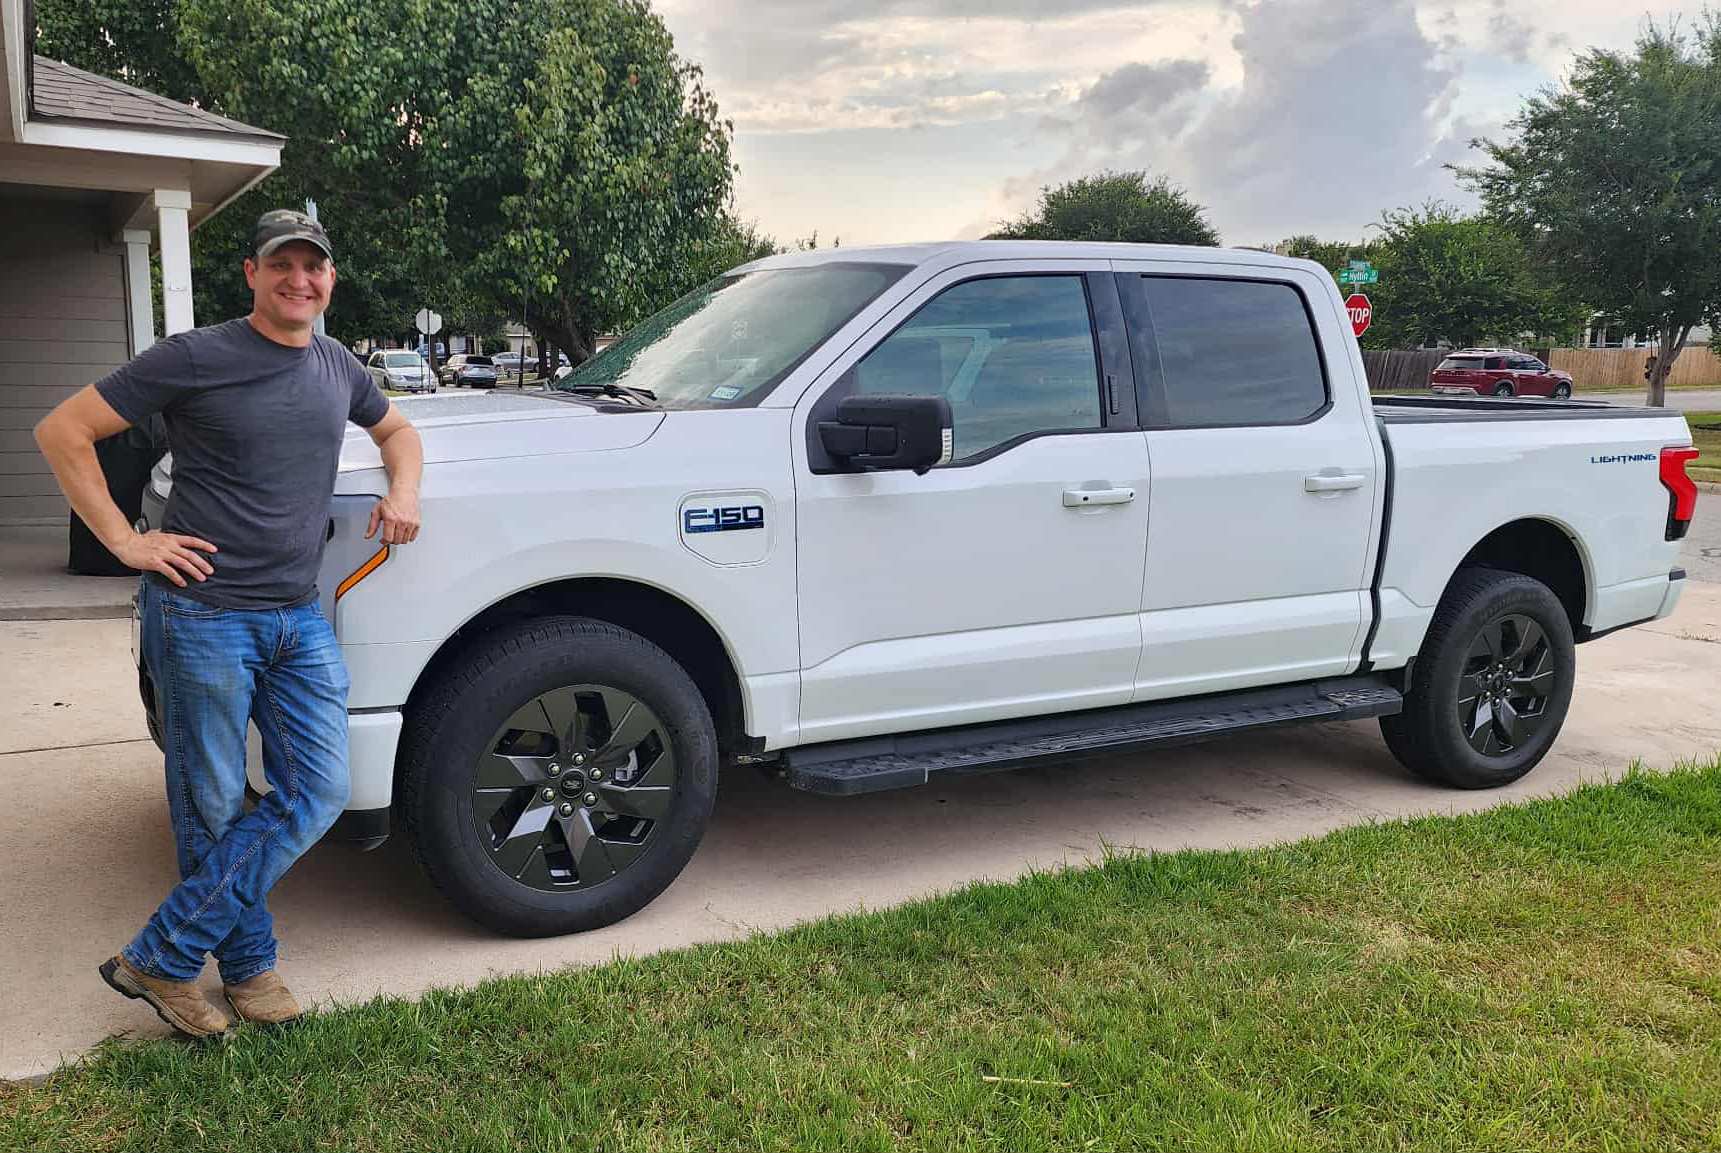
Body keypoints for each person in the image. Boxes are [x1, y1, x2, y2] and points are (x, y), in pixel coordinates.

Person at [32, 209, 424, 1037]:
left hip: (295, 618)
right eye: (281, 265)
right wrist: (125, 541)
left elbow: (398, 430)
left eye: (312, 267)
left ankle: (162, 959)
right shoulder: (198, 355)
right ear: (250, 273)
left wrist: (404, 488)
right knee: (210, 805)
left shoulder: (337, 365)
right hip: (202, 614)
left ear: (329, 281)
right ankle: (246, 971)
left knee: (318, 788)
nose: (298, 280)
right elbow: (64, 430)